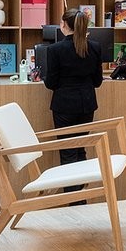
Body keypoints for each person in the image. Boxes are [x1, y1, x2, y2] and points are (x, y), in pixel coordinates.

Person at [39, 9, 103, 175]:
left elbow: (51, 83)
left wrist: (44, 77)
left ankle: (73, 192)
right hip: (87, 105)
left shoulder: (55, 49)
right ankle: (80, 191)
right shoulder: (95, 47)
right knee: (80, 149)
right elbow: (97, 81)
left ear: (64, 25)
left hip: (64, 106)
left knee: (67, 152)